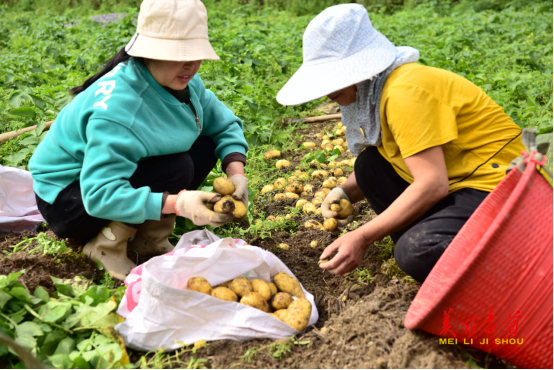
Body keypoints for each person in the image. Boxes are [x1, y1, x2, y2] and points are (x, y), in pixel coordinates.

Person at [276, 4, 525, 282]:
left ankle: (523, 255)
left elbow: (432, 184)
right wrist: (344, 192)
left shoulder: (405, 92)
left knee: (416, 251)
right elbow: (395, 154)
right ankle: (441, 234)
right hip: (461, 181)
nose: (327, 91)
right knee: (370, 165)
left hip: (504, 187)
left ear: (358, 70)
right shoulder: (380, 91)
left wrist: (362, 236)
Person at [29, 0, 249, 280]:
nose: (192, 65)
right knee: (177, 167)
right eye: (179, 55)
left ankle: (148, 239)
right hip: (70, 199)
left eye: (196, 54)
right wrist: (178, 204)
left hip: (104, 182)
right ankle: (106, 246)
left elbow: (225, 124)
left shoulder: (186, 84)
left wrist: (236, 172)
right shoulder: (118, 111)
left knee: (202, 148)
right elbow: (100, 194)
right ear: (149, 53)